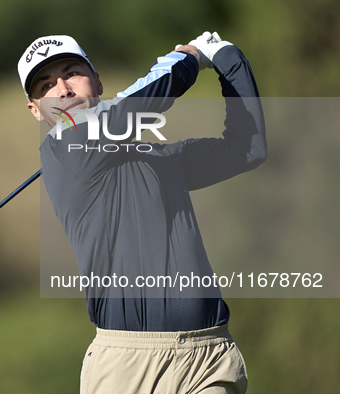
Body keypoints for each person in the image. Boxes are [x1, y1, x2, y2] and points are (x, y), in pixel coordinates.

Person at [17, 32, 266, 394]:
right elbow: (145, 99)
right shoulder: (63, 148)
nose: (63, 89)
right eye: (46, 85)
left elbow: (248, 148)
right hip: (127, 367)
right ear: (36, 110)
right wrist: (194, 55)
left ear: (97, 81)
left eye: (72, 73)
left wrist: (229, 59)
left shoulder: (162, 159)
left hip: (207, 357)